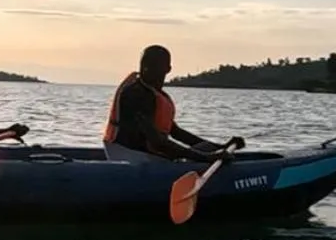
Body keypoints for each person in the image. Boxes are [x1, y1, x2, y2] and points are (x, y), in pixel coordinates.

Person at [102, 45, 243, 163]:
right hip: (128, 156)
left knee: (205, 147)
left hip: (145, 154)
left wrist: (220, 147)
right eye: (144, 64)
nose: (145, 68)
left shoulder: (154, 94)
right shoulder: (135, 94)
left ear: (168, 69)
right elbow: (158, 142)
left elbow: (176, 132)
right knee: (201, 153)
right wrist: (206, 158)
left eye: (153, 65)